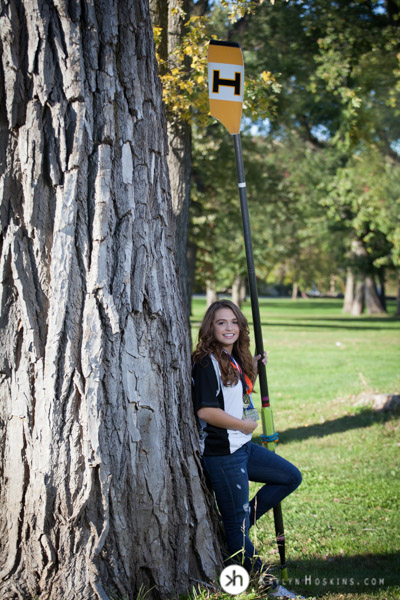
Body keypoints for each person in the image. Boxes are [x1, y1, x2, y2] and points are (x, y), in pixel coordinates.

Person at [192, 299, 303, 599]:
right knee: (239, 537)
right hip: (223, 454)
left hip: (243, 447)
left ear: (241, 326)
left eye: (233, 322)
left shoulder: (233, 358)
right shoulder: (206, 362)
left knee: (289, 477)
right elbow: (205, 410)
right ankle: (269, 588)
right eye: (221, 323)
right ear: (210, 327)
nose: (229, 328)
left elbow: (237, 395)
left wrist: (251, 366)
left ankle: (235, 525)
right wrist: (242, 426)